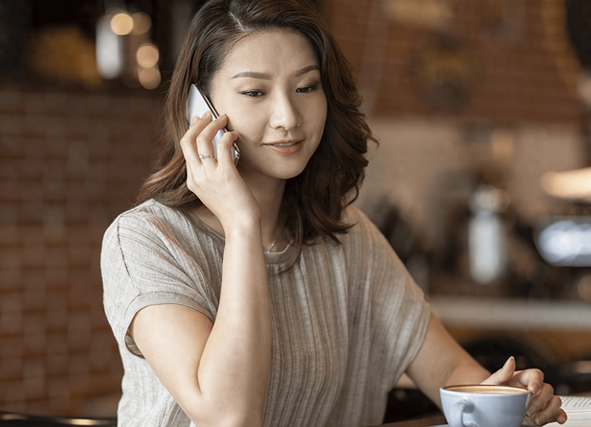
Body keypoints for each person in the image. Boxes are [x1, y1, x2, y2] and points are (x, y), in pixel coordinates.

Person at [100, 1, 567, 426]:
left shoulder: (348, 236)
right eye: (255, 93)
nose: (288, 116)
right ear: (198, 109)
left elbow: (447, 370)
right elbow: (230, 416)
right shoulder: (145, 240)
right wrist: (243, 225)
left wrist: (504, 399)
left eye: (306, 86)